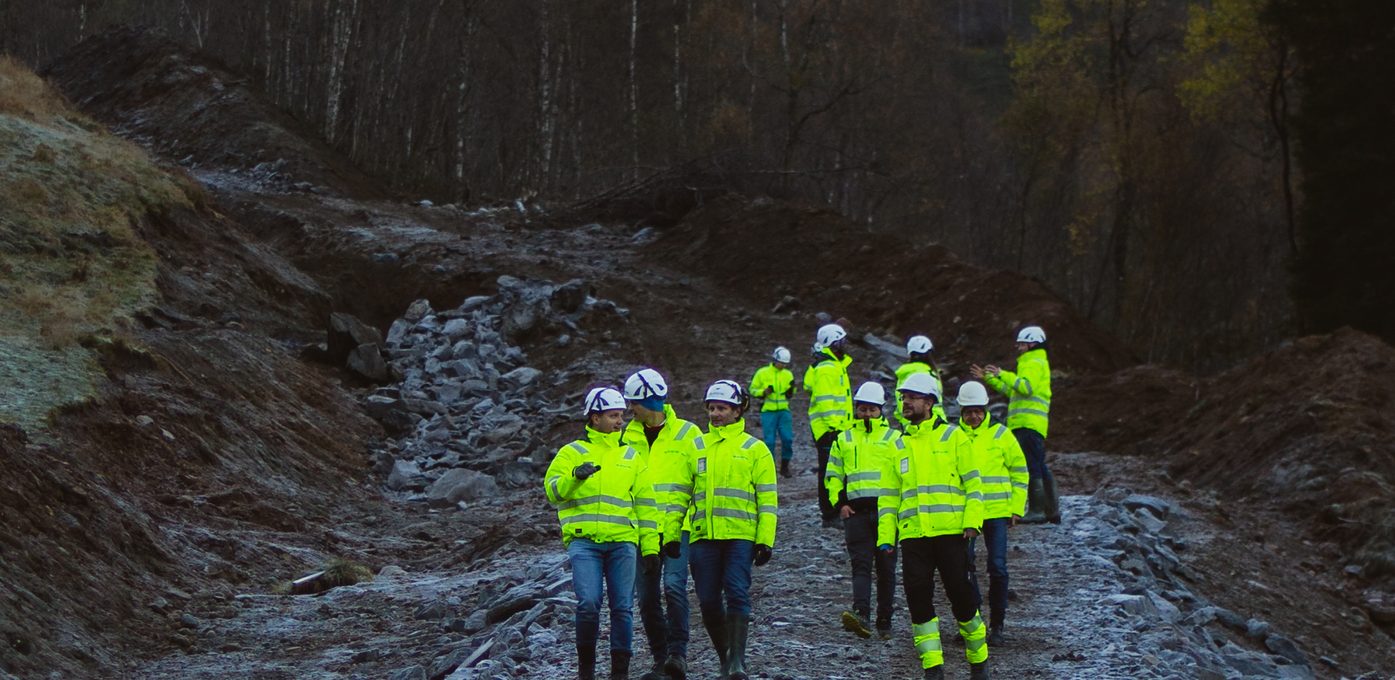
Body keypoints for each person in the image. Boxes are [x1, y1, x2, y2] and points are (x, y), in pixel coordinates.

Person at [664, 380, 778, 680]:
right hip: (703, 537)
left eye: (722, 408)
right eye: (712, 408)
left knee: (737, 593)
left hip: (741, 536)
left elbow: (767, 499)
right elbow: (679, 494)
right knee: (708, 600)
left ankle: (737, 661)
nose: (715, 414)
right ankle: (726, 657)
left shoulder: (755, 450)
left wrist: (765, 540)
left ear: (738, 410)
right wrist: (671, 534)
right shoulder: (696, 446)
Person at [544, 387, 661, 680]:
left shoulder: (631, 456)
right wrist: (575, 478)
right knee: (588, 604)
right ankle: (586, 671)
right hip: (584, 543)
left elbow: (646, 505)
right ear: (595, 418)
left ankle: (619, 673)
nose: (620, 421)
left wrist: (650, 548)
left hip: (622, 543)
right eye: (613, 416)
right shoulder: (571, 453)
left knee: (623, 608)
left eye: (621, 415)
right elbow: (553, 492)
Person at [879, 373, 989, 680]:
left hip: (951, 533)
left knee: (962, 598)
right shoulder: (897, 445)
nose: (905, 403)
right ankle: (932, 667)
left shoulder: (954, 438)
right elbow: (888, 497)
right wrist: (886, 537)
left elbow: (974, 486)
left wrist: (972, 522)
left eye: (912, 398)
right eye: (903, 398)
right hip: (914, 536)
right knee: (918, 599)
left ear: (929, 403)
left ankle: (979, 660)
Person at [620, 369, 701, 680]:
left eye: (634, 403)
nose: (630, 409)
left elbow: (701, 480)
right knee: (647, 598)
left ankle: (678, 655)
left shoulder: (688, 433)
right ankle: (660, 658)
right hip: (641, 530)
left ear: (650, 401)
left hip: (678, 527)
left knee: (674, 587)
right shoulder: (625, 437)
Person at [825, 381, 902, 640]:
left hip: (887, 514)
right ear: (856, 409)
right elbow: (833, 475)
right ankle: (862, 615)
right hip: (856, 514)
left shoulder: (894, 438)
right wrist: (840, 505)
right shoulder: (844, 439)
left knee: (886, 568)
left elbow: (904, 475)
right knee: (860, 565)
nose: (867, 414)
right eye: (863, 409)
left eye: (872, 409)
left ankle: (885, 620)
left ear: (881, 410)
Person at [956, 381, 1028, 646]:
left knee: (997, 567)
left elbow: (1020, 472)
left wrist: (1016, 508)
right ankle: (973, 623)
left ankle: (997, 625)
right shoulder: (954, 437)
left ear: (985, 410)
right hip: (966, 514)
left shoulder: (1001, 435)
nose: (974, 416)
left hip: (997, 512)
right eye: (969, 411)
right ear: (961, 411)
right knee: (965, 568)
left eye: (978, 411)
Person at [971, 325, 1057, 524]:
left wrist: (1002, 373)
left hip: (1027, 424)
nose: (1019, 347)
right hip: (1030, 424)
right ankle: (1051, 510)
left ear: (1032, 344)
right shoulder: (1034, 362)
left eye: (1022, 344)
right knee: (1039, 465)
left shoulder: (1032, 362)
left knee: (1031, 466)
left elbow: (1025, 387)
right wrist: (990, 379)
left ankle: (1037, 510)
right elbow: (1014, 392)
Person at [807, 323, 854, 528]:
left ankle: (836, 510)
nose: (845, 344)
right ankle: (829, 514)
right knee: (829, 472)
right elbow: (825, 402)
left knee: (836, 470)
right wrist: (835, 428)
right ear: (834, 343)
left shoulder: (835, 366)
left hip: (836, 428)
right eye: (842, 341)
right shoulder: (827, 369)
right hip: (829, 430)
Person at [749, 346, 796, 478]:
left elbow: (791, 391)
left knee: (787, 439)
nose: (783, 366)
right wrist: (763, 392)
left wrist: (791, 391)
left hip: (784, 410)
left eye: (785, 364)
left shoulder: (788, 374)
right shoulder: (762, 373)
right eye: (781, 363)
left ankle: (785, 466)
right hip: (768, 411)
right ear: (775, 360)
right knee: (769, 441)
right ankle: (769, 467)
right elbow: (752, 389)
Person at [894, 335, 945, 428]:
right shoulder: (927, 374)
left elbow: (899, 405)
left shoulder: (904, 374)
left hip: (909, 426)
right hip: (931, 425)